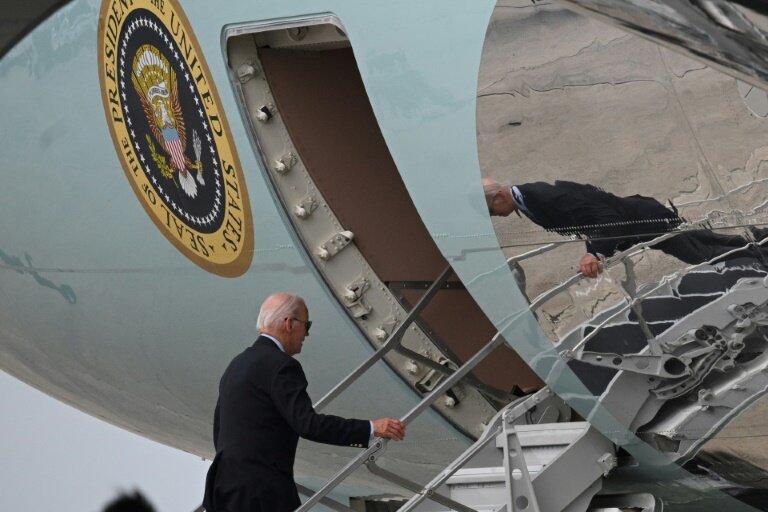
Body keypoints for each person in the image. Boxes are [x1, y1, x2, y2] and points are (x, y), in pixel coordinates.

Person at [203, 293, 406, 512]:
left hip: (223, 488)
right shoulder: (281, 366)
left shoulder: (237, 364)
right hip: (261, 494)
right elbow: (309, 425)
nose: (307, 334)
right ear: (289, 323)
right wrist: (371, 428)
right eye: (307, 325)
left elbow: (220, 428)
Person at [483, 178, 765, 278]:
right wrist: (592, 249)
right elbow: (588, 220)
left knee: (701, 255)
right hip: (642, 214)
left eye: (491, 210)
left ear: (499, 197)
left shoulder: (542, 197)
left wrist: (595, 253)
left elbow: (604, 217)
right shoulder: (529, 199)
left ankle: (759, 256)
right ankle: (759, 243)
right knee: (702, 240)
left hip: (644, 221)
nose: (496, 217)